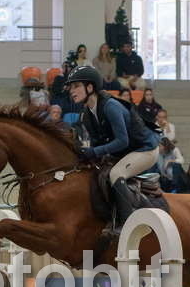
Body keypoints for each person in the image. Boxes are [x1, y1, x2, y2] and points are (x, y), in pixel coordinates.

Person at [66, 66, 160, 228]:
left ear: (90, 87)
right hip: (126, 152)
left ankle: (126, 225)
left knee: (116, 173)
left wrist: (93, 151)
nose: (71, 91)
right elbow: (98, 143)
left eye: (76, 86)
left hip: (145, 149)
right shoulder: (86, 114)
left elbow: (122, 141)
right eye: (70, 87)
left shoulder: (110, 106)